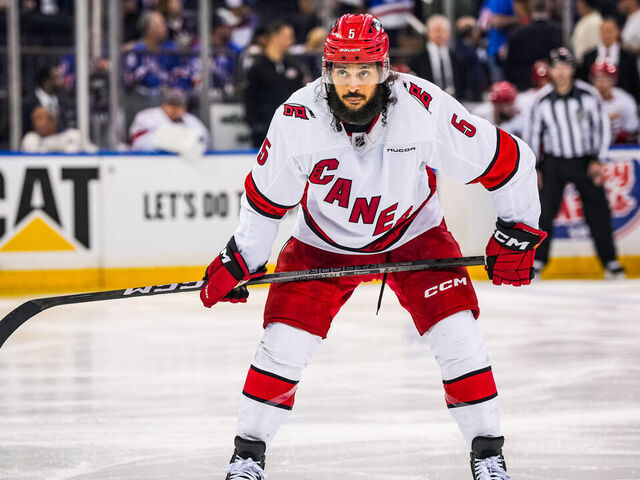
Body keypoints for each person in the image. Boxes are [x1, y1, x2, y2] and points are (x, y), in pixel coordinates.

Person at [200, 13, 545, 480]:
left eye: (364, 71)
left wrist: (518, 228)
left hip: (413, 236)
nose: (353, 84)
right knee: (283, 344)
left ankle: (487, 454)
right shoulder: (298, 119)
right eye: (342, 71)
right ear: (326, 72)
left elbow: (509, 160)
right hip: (323, 244)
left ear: (384, 71)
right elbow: (265, 201)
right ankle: (247, 456)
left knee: (459, 337)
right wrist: (242, 257)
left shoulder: (422, 108)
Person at [523, 47, 625, 278]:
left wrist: (599, 160)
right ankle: (538, 261)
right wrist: (535, 167)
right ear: (549, 70)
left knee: (598, 212)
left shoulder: (589, 96)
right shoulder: (542, 101)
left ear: (572, 69)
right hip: (554, 162)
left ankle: (610, 261)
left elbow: (601, 128)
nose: (560, 72)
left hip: (585, 161)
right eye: (556, 67)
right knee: (544, 212)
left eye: (565, 67)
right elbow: (532, 134)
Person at [243, 20, 304, 147]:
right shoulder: (257, 67)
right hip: (265, 132)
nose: (292, 41)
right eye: (288, 37)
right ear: (275, 37)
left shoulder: (294, 65)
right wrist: (255, 125)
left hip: (291, 131)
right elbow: (249, 98)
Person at [129, 88, 209, 161]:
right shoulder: (147, 115)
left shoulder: (190, 120)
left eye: (179, 106)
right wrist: (176, 141)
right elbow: (138, 142)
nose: (175, 109)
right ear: (164, 105)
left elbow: (204, 140)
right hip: (150, 161)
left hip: (184, 163)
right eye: (172, 105)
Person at [578, 16, 640, 102]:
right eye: (604, 31)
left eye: (610, 31)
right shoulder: (588, 57)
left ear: (617, 32)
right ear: (600, 32)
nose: (607, 35)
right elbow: (583, 83)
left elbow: (635, 85)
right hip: (594, 102)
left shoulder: (628, 58)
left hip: (622, 104)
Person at [504, 0, 562, 91]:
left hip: (524, 88)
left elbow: (509, 68)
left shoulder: (517, 34)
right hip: (553, 88)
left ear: (530, 8)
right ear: (549, 7)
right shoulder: (559, 32)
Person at [408, 15, 462, 97]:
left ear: (448, 33)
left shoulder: (457, 58)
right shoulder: (417, 60)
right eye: (435, 30)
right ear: (428, 32)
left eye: (442, 30)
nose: (438, 34)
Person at [590, 60, 639, 144]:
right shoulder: (587, 98)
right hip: (593, 146)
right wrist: (605, 119)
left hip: (620, 147)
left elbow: (633, 128)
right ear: (592, 80)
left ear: (614, 80)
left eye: (606, 78)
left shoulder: (625, 99)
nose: (602, 83)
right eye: (598, 78)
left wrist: (622, 134)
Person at [22, 65, 75, 137]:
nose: (61, 81)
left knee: (74, 135)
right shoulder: (28, 103)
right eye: (56, 78)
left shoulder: (65, 101)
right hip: (37, 141)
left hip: (58, 140)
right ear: (46, 81)